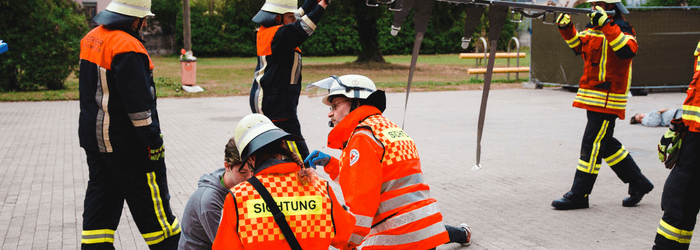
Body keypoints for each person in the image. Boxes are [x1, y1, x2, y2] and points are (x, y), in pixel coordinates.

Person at [304, 74, 472, 249]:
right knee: (438, 231)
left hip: (400, 237)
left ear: (357, 102)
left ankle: (463, 233)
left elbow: (362, 204)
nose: (330, 113)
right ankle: (463, 233)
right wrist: (332, 164)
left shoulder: (362, 138)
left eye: (335, 105)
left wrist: (348, 243)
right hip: (426, 228)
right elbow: (375, 178)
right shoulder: (384, 127)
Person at [78, 0, 181, 249]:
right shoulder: (128, 46)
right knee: (155, 211)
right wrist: (154, 143)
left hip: (96, 142)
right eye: (143, 19)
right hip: (128, 147)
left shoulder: (91, 38)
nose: (145, 23)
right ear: (134, 19)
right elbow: (139, 108)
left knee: (101, 206)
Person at [551, 0, 654, 210]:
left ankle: (579, 194)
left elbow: (627, 51)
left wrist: (607, 24)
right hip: (594, 96)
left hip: (609, 97)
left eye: (595, 4)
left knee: (592, 144)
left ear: (607, 6)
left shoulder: (621, 26)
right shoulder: (594, 25)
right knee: (604, 143)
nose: (591, 8)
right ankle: (639, 182)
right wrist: (566, 28)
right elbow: (579, 47)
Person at [212, 113, 355, 250]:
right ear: (282, 145)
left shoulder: (238, 198)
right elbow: (345, 236)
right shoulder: (320, 187)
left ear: (250, 158)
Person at [248, 0, 328, 160]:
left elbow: (297, 17)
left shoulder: (270, 31)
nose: (295, 18)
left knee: (273, 149)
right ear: (278, 18)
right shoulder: (279, 35)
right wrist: (323, 4)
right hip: (277, 104)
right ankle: (307, 177)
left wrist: (312, 3)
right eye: (290, 17)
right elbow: (303, 28)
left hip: (268, 99)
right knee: (297, 152)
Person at [178, 137, 252, 249]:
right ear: (227, 166)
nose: (249, 177)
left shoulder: (234, 183)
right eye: (242, 173)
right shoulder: (210, 202)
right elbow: (225, 245)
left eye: (252, 170)